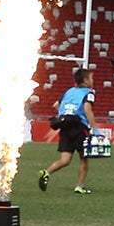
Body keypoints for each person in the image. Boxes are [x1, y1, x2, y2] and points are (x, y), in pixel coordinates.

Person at [38, 66, 96, 194]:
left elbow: (56, 105)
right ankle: (80, 186)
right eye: (91, 78)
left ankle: (47, 172)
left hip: (65, 127)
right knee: (84, 158)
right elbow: (87, 110)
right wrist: (95, 128)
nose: (92, 80)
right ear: (85, 80)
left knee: (65, 159)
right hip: (79, 127)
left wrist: (66, 113)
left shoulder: (69, 92)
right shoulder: (89, 93)